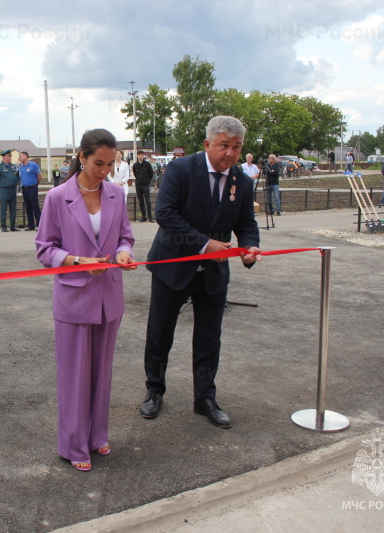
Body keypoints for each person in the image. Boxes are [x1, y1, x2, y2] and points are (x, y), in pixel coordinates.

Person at [139, 116, 260, 427]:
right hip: (173, 267)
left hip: (213, 275)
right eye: (224, 146)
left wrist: (249, 248)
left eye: (236, 147)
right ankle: (154, 391)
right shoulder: (181, 170)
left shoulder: (242, 182)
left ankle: (205, 397)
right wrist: (206, 245)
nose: (231, 154)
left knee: (209, 338)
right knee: (160, 333)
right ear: (207, 144)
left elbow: (246, 223)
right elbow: (164, 215)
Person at [36, 128, 135, 472]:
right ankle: (73, 444)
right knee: (74, 375)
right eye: (98, 163)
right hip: (75, 297)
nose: (104, 171)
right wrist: (78, 261)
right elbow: (44, 249)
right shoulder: (57, 197)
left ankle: (97, 436)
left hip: (109, 296)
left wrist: (123, 254)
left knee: (101, 373)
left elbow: (125, 237)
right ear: (82, 157)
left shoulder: (116, 195)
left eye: (110, 164)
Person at [0, 149, 19, 231]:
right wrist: (1, 185)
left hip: (12, 189)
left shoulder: (12, 166)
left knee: (13, 209)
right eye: (9, 156)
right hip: (4, 189)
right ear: (4, 157)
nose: (10, 158)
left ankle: (12, 226)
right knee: (3, 208)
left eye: (10, 156)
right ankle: (4, 226)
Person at [18, 151, 42, 231]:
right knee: (28, 207)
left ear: (25, 156)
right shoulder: (21, 167)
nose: (19, 158)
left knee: (35, 206)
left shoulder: (33, 165)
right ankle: (31, 225)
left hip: (32, 188)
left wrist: (36, 184)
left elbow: (39, 176)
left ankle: (39, 224)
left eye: (20, 156)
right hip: (24, 189)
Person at [132, 151, 155, 222]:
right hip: (138, 185)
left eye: (141, 155)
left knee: (148, 201)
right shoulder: (135, 165)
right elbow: (135, 174)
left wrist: (147, 181)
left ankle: (150, 217)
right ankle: (143, 216)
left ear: (143, 156)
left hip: (145, 185)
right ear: (137, 155)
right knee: (141, 201)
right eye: (139, 155)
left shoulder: (147, 164)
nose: (140, 156)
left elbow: (151, 174)